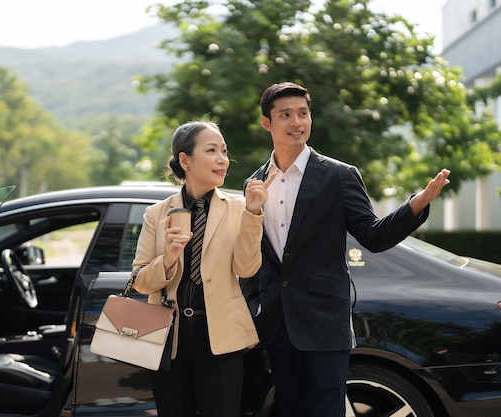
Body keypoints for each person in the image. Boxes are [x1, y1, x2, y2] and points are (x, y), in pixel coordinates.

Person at [240, 81, 451, 417]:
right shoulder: (255, 182)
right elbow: (252, 254)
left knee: (327, 409)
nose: (297, 122)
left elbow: (373, 236)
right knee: (289, 409)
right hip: (277, 323)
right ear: (267, 123)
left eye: (303, 113)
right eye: (286, 115)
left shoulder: (338, 175)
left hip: (324, 319)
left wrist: (416, 205)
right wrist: (255, 307)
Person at [131, 120, 274, 417]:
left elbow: (246, 269)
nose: (223, 159)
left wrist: (254, 213)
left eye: (224, 151)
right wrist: (168, 259)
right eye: (211, 151)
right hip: (168, 339)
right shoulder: (156, 214)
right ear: (185, 160)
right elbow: (140, 282)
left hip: (219, 336)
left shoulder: (239, 208)